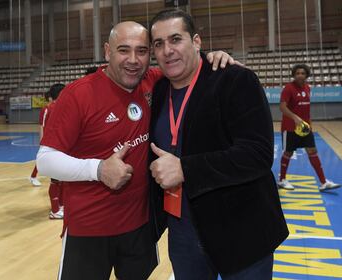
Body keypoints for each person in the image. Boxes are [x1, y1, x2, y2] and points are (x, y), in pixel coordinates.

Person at [36, 21, 236, 280]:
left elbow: (186, 63)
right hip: (88, 230)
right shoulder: (78, 94)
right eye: (123, 50)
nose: (133, 60)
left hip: (140, 227)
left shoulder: (153, 82)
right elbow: (45, 161)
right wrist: (98, 169)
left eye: (141, 51)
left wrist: (212, 58)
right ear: (107, 51)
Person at [148, 9, 289, 279]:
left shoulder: (235, 79)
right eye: (159, 43)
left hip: (241, 232)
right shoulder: (159, 89)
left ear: (197, 42)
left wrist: (186, 169)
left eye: (175, 39)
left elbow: (257, 154)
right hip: (183, 235)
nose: (167, 50)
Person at [277, 64, 340, 191]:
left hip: (305, 128)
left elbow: (306, 109)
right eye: (297, 73)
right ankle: (282, 180)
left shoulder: (307, 88)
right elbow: (282, 107)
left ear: (306, 75)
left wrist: (309, 125)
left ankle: (323, 182)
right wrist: (295, 118)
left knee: (312, 151)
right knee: (288, 153)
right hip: (290, 128)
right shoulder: (288, 88)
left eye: (302, 73)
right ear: (294, 75)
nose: (300, 75)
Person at [43, 83, 65, 219]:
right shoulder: (49, 108)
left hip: (62, 147)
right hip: (53, 148)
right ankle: (55, 210)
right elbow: (44, 127)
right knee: (55, 180)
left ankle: (61, 205)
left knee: (62, 179)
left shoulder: (62, 106)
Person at [29, 90, 51, 186]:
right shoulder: (45, 109)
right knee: (42, 158)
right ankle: (33, 177)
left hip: (54, 137)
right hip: (47, 138)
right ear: (50, 97)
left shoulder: (57, 108)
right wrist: (42, 139)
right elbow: (41, 125)